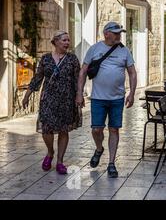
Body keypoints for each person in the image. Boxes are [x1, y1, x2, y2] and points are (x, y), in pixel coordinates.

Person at [76, 22, 137, 178]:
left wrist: (132, 93)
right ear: (106, 34)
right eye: (116, 33)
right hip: (98, 98)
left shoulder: (124, 51)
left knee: (114, 129)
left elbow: (132, 73)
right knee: (96, 129)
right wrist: (79, 93)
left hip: (117, 98)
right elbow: (83, 72)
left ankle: (111, 163)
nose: (119, 35)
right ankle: (99, 148)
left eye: (120, 33)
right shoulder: (94, 49)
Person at [22, 30, 82, 174]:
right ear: (55, 41)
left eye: (68, 40)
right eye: (64, 40)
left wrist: (79, 96)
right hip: (48, 98)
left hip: (67, 99)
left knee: (63, 129)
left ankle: (60, 161)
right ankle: (50, 152)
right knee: (46, 128)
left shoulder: (72, 59)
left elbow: (77, 79)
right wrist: (27, 95)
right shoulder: (46, 59)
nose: (67, 43)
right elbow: (38, 78)